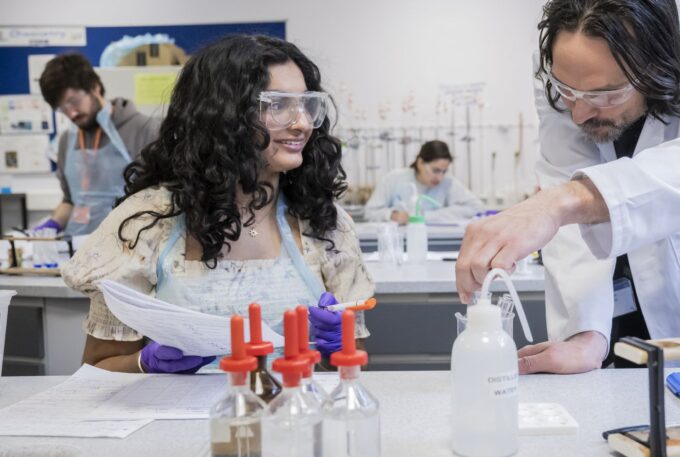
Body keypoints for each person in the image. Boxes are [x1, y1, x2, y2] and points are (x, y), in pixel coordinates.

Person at [456, 0, 680, 374]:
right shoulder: (566, 64)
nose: (579, 113)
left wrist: (559, 203)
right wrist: (585, 332)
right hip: (612, 320)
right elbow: (566, 202)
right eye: (567, 92)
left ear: (657, 66)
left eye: (606, 96)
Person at [62, 35, 374, 373]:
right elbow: (96, 369)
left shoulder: (325, 224)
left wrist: (337, 349)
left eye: (305, 104)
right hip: (179, 425)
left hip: (294, 419)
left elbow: (351, 368)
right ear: (223, 114)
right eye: (278, 105)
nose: (301, 123)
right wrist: (144, 362)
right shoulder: (147, 223)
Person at [37, 52, 160, 235]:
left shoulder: (145, 130)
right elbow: (71, 200)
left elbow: (162, 198)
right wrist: (52, 225)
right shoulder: (66, 141)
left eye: (74, 102)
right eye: (63, 109)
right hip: (80, 249)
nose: (71, 114)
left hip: (131, 247)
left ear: (94, 87)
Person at [364, 140, 484, 223]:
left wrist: (427, 216)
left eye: (444, 171)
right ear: (420, 163)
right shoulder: (394, 178)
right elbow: (370, 212)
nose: (440, 177)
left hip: (435, 239)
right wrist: (392, 215)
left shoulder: (448, 182)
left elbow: (477, 207)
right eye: (435, 170)